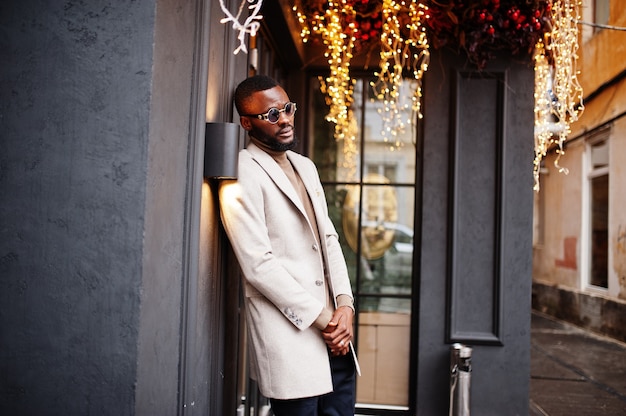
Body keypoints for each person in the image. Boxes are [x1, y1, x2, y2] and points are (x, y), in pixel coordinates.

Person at [219, 75, 359, 416]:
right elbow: (259, 266)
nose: (283, 119)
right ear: (247, 123)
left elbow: (328, 238)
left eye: (286, 109)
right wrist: (326, 320)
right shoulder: (241, 173)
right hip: (292, 338)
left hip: (337, 339)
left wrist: (345, 306)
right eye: (271, 115)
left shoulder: (306, 167)